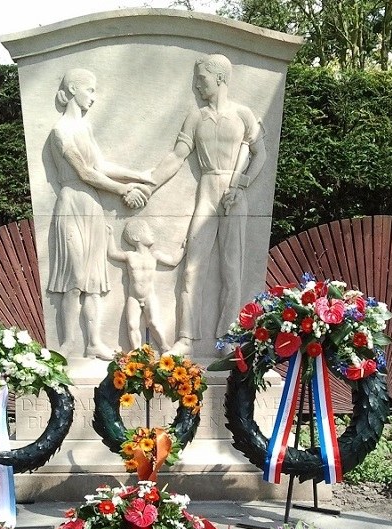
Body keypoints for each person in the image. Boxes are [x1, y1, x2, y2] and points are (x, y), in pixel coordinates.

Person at [147, 53, 267, 357]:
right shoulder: (196, 117)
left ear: (220, 78)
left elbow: (259, 154)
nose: (197, 85)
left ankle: (229, 336)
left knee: (231, 268)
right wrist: (149, 184)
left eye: (201, 79)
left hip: (234, 195)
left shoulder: (243, 114)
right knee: (191, 268)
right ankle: (186, 338)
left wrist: (242, 185)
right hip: (207, 190)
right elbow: (177, 156)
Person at [46, 68, 153, 360]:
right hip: (72, 204)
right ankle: (69, 342)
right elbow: (84, 172)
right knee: (76, 277)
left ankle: (93, 342)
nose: (93, 97)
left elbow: (101, 166)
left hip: (92, 206)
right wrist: (122, 191)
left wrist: (137, 176)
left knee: (93, 279)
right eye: (89, 90)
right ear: (72, 90)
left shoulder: (85, 129)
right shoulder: (60, 131)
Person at [106, 219, 185, 352]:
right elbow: (112, 253)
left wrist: (184, 248)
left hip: (149, 296)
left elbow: (173, 261)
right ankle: (136, 353)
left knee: (153, 322)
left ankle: (165, 346)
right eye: (148, 231)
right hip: (133, 297)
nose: (152, 234)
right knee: (132, 324)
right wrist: (110, 235)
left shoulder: (155, 255)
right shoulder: (130, 256)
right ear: (137, 237)